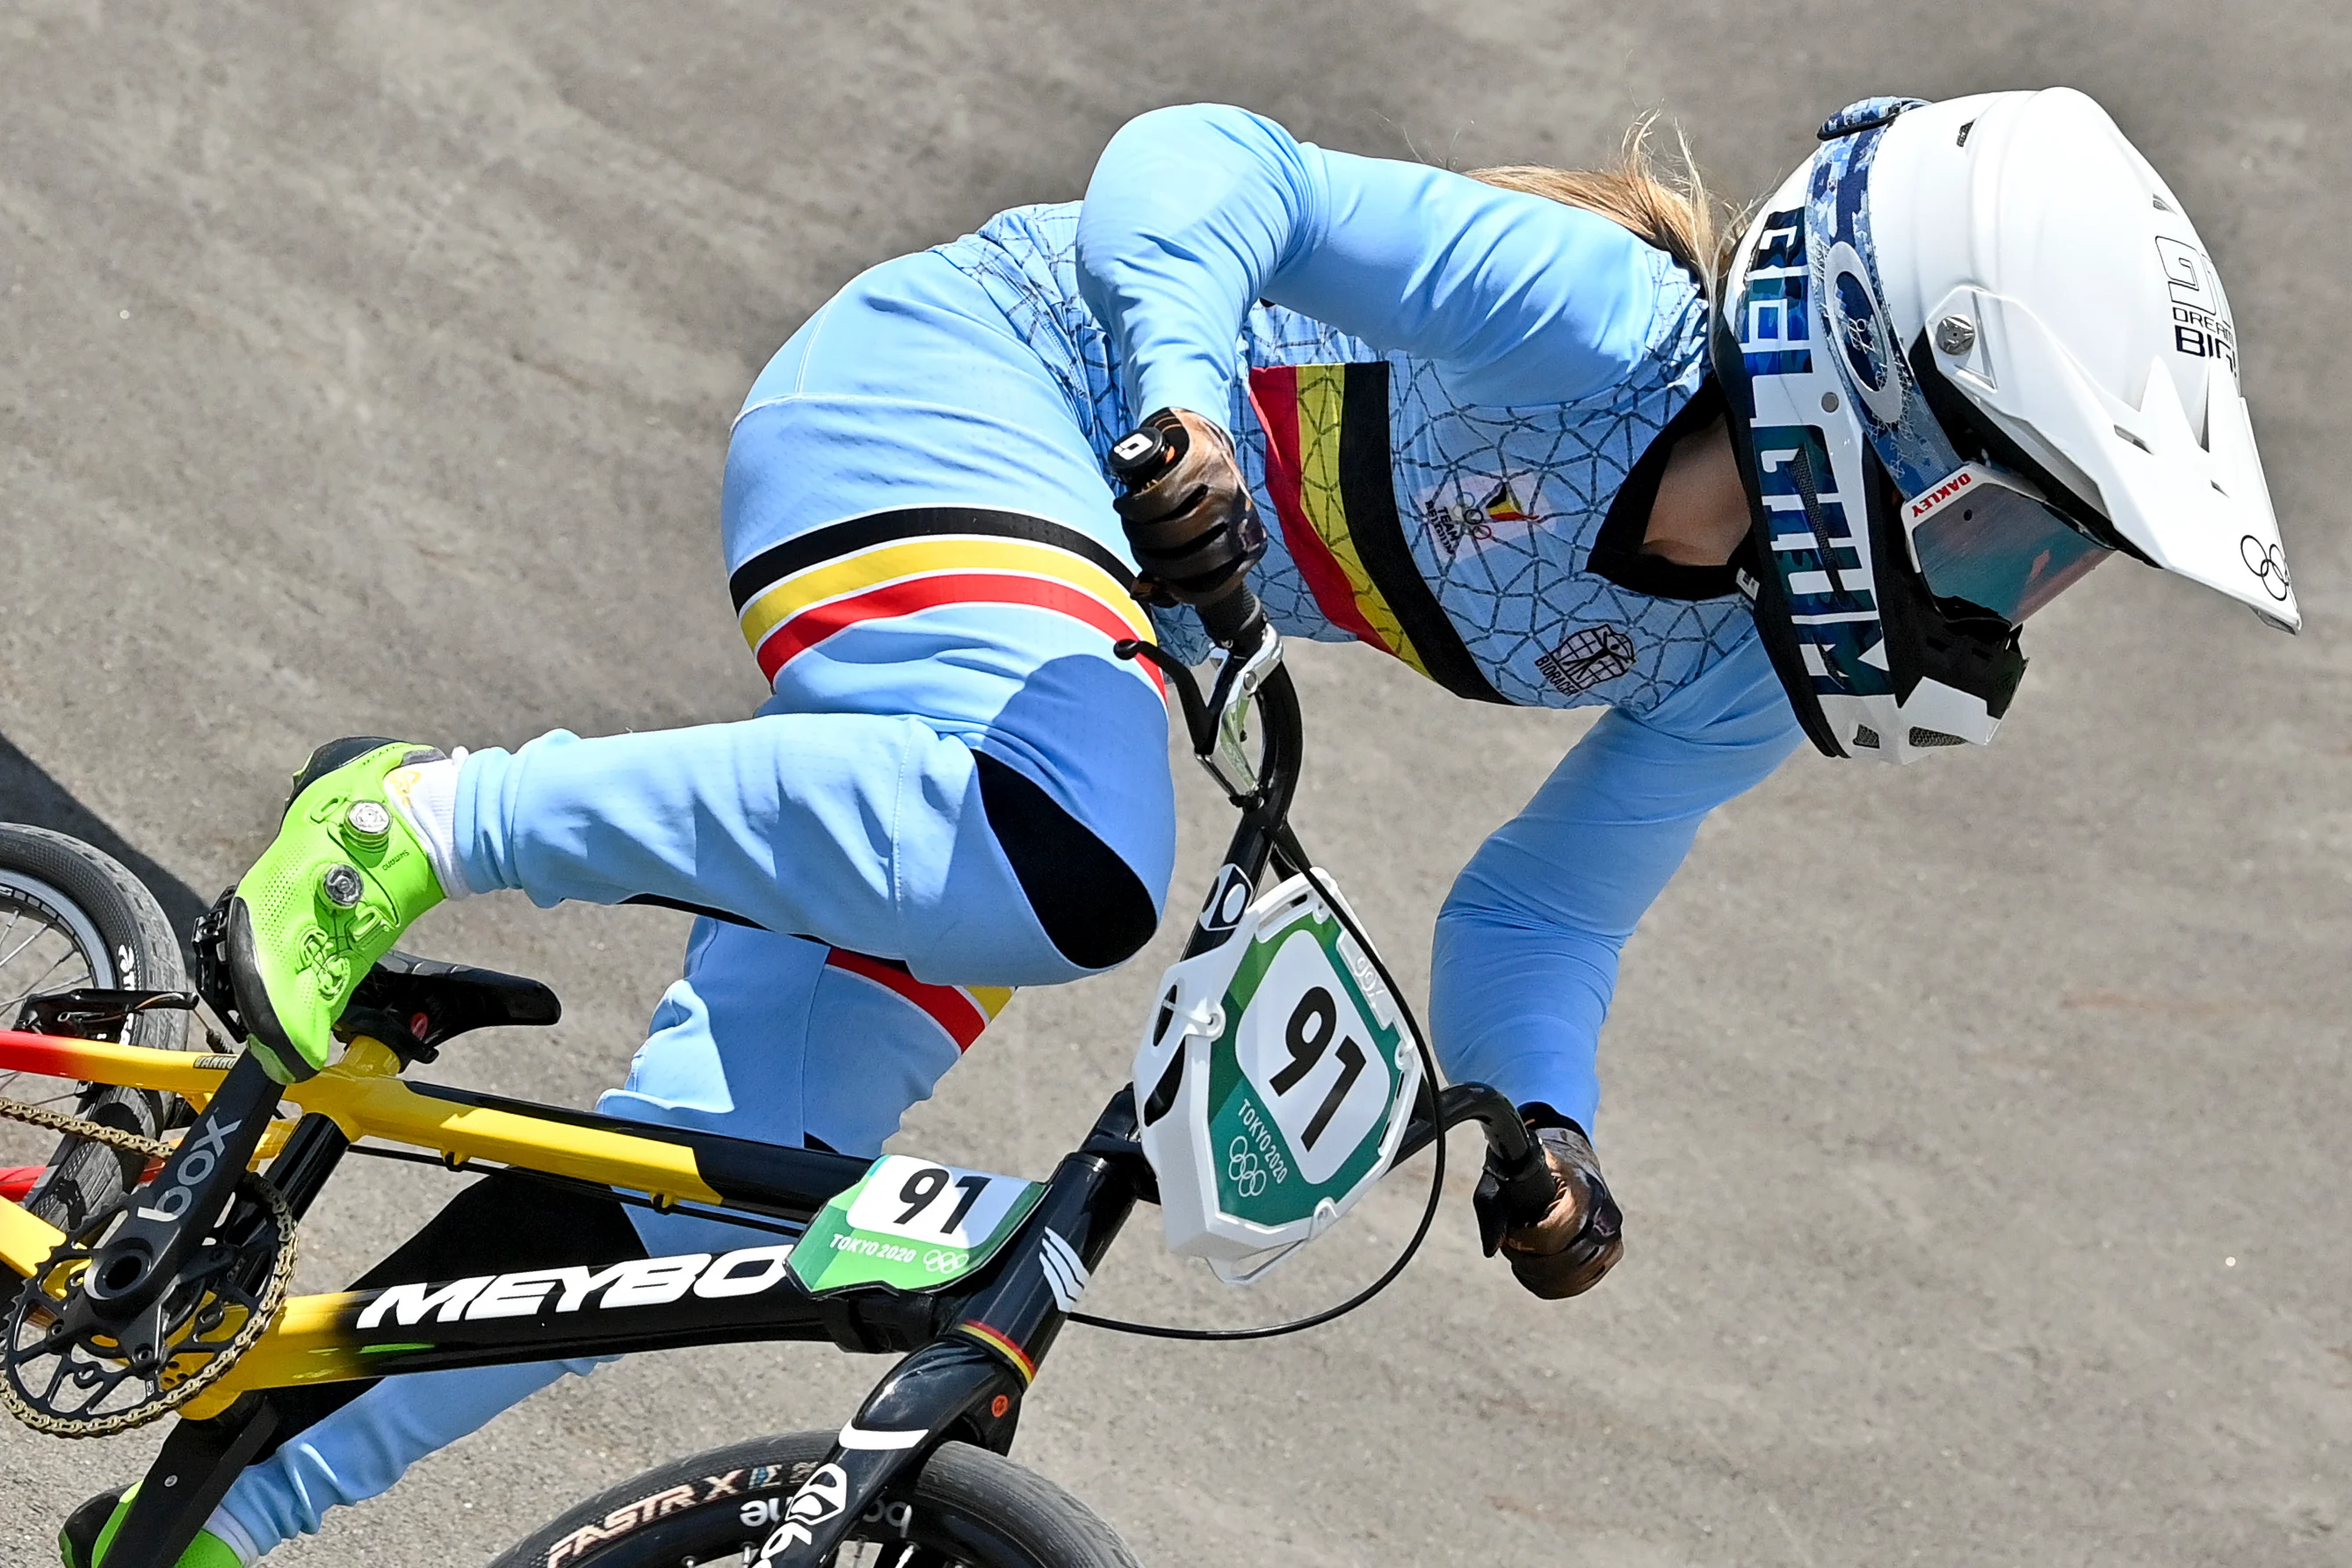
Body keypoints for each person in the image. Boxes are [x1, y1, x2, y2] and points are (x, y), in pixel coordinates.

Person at [67, 89, 2296, 1566]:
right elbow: (1205, 161)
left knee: (697, 1195)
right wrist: (1176, 396)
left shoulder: (1730, 673)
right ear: (1876, 400)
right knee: (1081, 848)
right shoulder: (1611, 329)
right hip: (973, 390)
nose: (2012, 609)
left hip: (1085, 631)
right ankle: (425, 817)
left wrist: (1544, 1122)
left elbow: (1544, 907)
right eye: (2016, 535)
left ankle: (184, 1536)